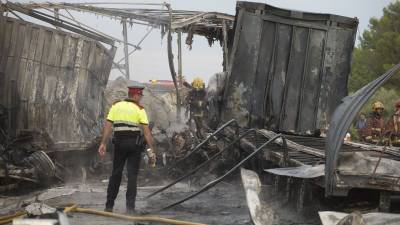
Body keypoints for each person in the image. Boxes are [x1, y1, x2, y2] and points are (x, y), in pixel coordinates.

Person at [98, 84, 156, 213]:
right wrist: (151, 151)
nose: (141, 98)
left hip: (118, 144)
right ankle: (130, 208)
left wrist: (103, 143)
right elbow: (146, 133)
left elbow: (108, 127)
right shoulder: (140, 109)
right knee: (132, 176)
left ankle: (109, 206)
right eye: (140, 95)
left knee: (116, 174)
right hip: (134, 146)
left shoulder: (115, 106)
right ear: (135, 95)